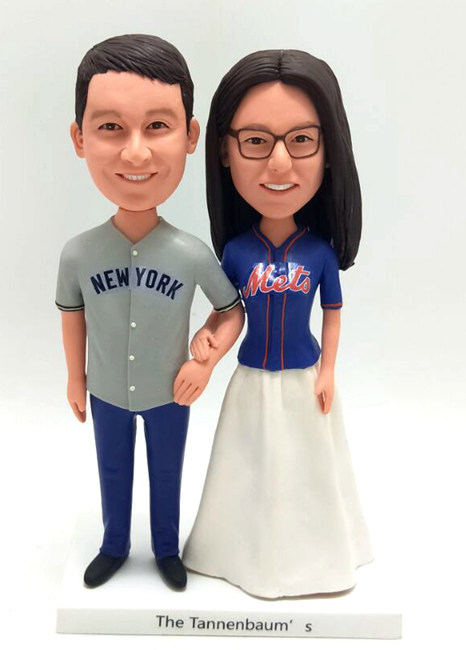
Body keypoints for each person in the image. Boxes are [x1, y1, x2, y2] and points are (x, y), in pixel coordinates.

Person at [182, 49, 373, 598]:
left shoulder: (319, 253)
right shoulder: (238, 252)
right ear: (225, 151)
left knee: (311, 469)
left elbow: (332, 312)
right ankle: (237, 553)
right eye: (257, 141)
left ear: (330, 150)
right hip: (250, 380)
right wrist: (208, 348)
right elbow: (229, 310)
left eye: (302, 139)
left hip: (304, 377)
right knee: (246, 469)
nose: (280, 164)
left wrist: (328, 369)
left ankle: (320, 556)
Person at [56, 34, 242, 590]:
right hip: (106, 388)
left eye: (157, 125)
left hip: (169, 391)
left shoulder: (190, 253)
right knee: (112, 469)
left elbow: (231, 310)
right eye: (111, 127)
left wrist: (205, 362)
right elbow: (72, 314)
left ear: (190, 136)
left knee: (167, 471)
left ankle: (165, 548)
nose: (135, 153)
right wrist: (74, 377)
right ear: (79, 138)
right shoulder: (79, 253)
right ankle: (114, 544)